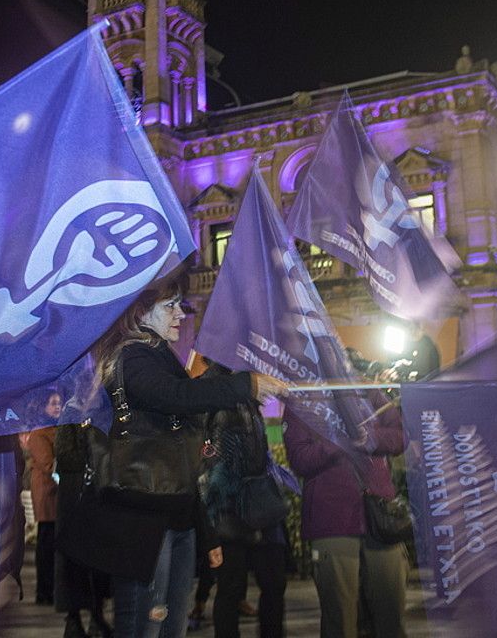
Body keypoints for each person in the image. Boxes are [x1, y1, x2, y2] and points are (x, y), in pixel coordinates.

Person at [70, 273, 287, 638]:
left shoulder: (157, 354)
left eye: (180, 305)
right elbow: (175, 395)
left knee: (170, 624)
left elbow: (185, 431)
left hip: (173, 510)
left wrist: (207, 534)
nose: (180, 314)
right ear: (140, 312)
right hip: (142, 514)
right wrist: (242, 384)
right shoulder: (131, 355)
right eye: (169, 306)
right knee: (146, 623)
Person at [284, 387, 407, 638]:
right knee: (339, 618)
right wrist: (339, 441)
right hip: (331, 522)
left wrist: (370, 436)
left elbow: (401, 436)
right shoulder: (302, 401)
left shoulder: (371, 394)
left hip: (380, 520)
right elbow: (299, 458)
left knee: (391, 613)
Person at [192, 352, 287, 638]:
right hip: (228, 508)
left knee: (273, 584)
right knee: (231, 589)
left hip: (258, 502)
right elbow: (207, 459)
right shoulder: (206, 391)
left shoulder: (245, 387)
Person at [54, 421, 113, 638]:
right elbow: (64, 454)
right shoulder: (71, 412)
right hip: (74, 495)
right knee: (73, 561)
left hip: (96, 496)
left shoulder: (101, 410)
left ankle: (96, 616)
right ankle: (74, 618)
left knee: (98, 560)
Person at [28, 390, 62, 607]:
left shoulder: (56, 429)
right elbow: (47, 463)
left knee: (50, 542)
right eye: (53, 403)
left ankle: (50, 589)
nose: (57, 407)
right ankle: (44, 590)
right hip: (47, 493)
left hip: (54, 492)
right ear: (43, 406)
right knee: (46, 542)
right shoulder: (40, 432)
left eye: (59, 403)